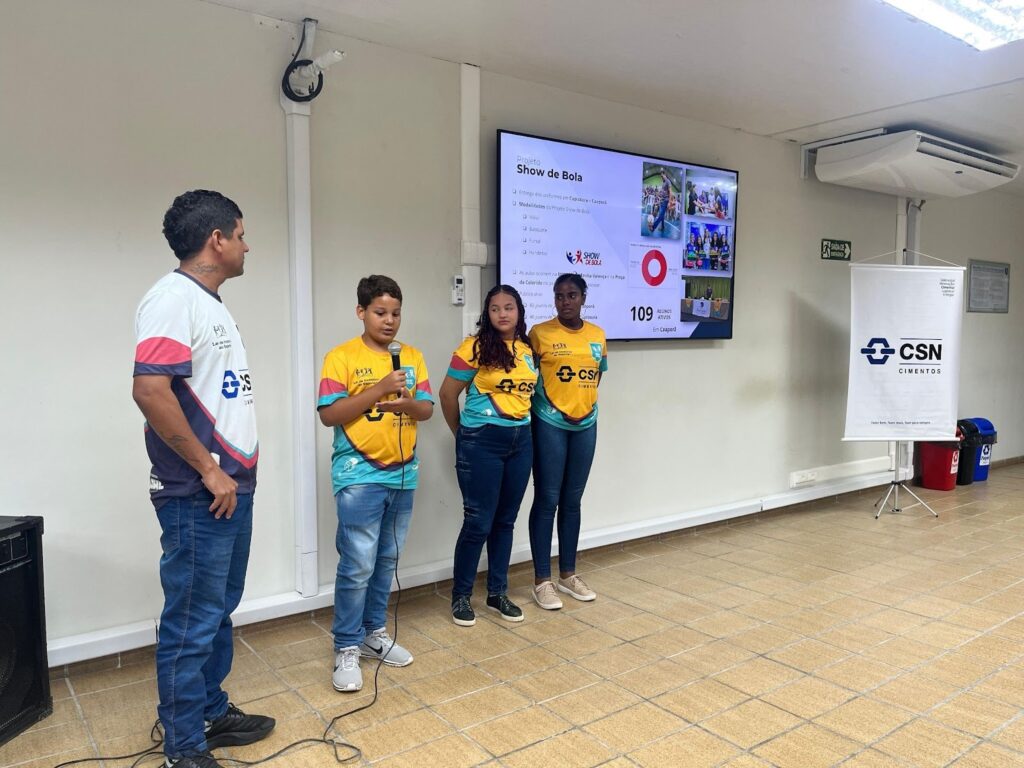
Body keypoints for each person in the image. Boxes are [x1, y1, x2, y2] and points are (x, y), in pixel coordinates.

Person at [132, 191, 274, 768]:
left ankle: (210, 712)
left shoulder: (208, 303)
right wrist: (210, 470)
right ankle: (184, 745)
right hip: (198, 492)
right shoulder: (171, 299)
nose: (246, 245)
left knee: (216, 610)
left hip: (232, 487)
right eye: (240, 234)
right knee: (191, 620)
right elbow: (150, 390)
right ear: (217, 239)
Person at [317, 275, 434, 692]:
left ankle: (373, 633)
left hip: (403, 472)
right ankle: (346, 645)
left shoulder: (412, 357)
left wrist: (408, 403)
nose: (389, 321)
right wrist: (381, 389)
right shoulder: (341, 357)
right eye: (380, 312)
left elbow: (427, 410)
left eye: (396, 313)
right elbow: (329, 414)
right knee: (357, 564)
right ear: (361, 312)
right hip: (359, 474)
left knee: (386, 559)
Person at [439, 285, 537, 626]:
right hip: (481, 441)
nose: (502, 314)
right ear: (487, 313)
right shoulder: (474, 347)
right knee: (478, 522)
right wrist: (463, 435)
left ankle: (497, 593)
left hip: (521, 441)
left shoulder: (527, 349)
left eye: (509, 307)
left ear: (519, 311)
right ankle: (461, 596)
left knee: (505, 521)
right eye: (495, 308)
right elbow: (447, 395)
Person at [527, 274, 607, 610]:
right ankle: (542, 581)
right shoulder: (539, 333)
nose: (565, 302)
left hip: (586, 424)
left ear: (583, 297)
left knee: (572, 500)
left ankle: (568, 574)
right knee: (547, 498)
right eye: (559, 296)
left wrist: (579, 407)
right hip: (549, 423)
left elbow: (597, 374)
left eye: (572, 295)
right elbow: (527, 376)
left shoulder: (597, 335)